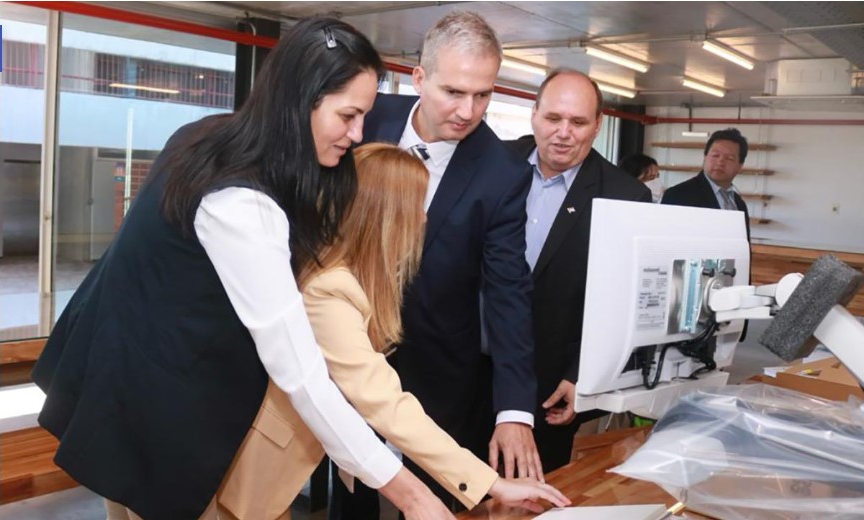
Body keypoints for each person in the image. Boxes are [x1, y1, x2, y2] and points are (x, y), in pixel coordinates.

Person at [32, 17, 454, 520]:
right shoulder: (242, 204)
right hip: (159, 417)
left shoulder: (206, 135)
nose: (357, 133)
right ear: (302, 101)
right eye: (348, 115)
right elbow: (301, 374)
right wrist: (412, 495)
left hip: (126, 392)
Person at [217, 143, 570, 520]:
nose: (423, 219)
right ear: (386, 216)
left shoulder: (349, 275)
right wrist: (490, 484)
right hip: (253, 471)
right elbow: (384, 401)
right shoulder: (328, 289)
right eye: (417, 205)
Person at [330, 11, 540, 517]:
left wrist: (515, 410)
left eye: (484, 94)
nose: (469, 111)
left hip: (439, 364)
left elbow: (509, 288)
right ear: (418, 78)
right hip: (345, 343)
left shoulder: (502, 171)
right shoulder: (364, 118)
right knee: (351, 487)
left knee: (432, 499)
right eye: (453, 92)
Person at [505, 69, 652, 472]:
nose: (563, 133)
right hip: (466, 368)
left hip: (551, 382)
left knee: (529, 496)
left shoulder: (625, 196)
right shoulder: (496, 163)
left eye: (578, 122)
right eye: (553, 119)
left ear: (598, 125)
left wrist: (582, 376)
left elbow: (622, 303)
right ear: (533, 115)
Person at [661, 128, 751, 238]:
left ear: (740, 166)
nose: (720, 162)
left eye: (729, 158)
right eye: (715, 155)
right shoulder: (678, 195)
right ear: (705, 157)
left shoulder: (739, 203)